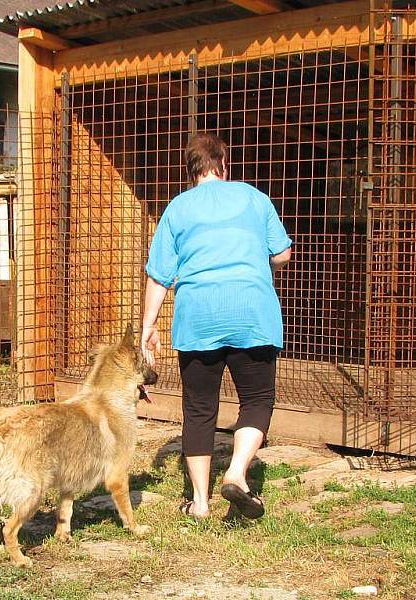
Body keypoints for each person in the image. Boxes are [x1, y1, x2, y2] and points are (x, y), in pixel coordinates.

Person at [140, 132, 292, 520]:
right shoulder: (254, 198)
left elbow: (159, 276)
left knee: (199, 408)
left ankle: (201, 503)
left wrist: (148, 327)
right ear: (224, 162)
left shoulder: (177, 208)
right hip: (252, 313)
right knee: (256, 399)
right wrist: (257, 262)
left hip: (198, 318)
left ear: (191, 170)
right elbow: (283, 253)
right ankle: (238, 473)